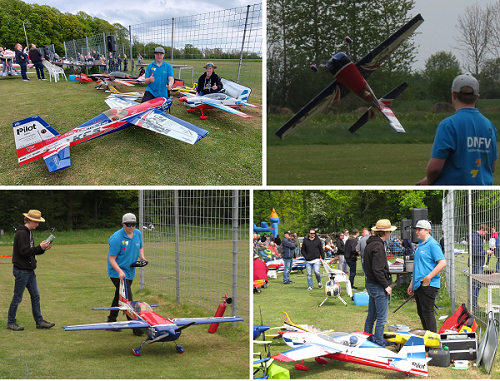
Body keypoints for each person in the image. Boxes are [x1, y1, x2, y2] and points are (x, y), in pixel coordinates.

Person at [417, 74, 498, 185]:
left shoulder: (448, 125)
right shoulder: (489, 126)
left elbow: (434, 169)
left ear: (453, 94)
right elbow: (492, 166)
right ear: (477, 96)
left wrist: (429, 182)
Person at [7, 210, 54, 331]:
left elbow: (31, 251)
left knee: (35, 296)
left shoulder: (28, 232)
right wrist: (39, 247)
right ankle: (11, 322)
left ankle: (39, 321)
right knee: (17, 297)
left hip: (29, 270)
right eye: (36, 222)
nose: (38, 224)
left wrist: (42, 249)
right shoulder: (22, 233)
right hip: (22, 271)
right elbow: (24, 252)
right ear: (30, 220)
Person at [107, 213, 147, 335]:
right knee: (127, 298)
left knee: (119, 296)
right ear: (123, 224)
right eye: (128, 224)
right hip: (117, 273)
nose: (131, 227)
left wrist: (142, 258)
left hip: (130, 271)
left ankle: (111, 322)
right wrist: (119, 271)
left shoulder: (138, 233)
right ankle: (135, 327)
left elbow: (140, 247)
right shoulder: (116, 238)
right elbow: (111, 258)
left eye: (133, 224)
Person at [407, 220, 446, 333]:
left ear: (427, 230)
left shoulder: (432, 244)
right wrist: (412, 283)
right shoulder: (420, 244)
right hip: (418, 284)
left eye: (420, 230)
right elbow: (419, 266)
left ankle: (433, 341)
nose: (417, 232)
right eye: (416, 230)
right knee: (422, 313)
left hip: (428, 284)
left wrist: (429, 277)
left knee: (428, 313)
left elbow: (442, 262)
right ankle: (427, 338)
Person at [363, 219, 395, 347]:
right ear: (386, 232)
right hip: (377, 285)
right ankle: (379, 343)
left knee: (371, 316)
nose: (390, 234)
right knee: (381, 318)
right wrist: (386, 285)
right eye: (390, 232)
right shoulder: (378, 246)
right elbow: (378, 269)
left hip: (370, 283)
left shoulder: (370, 244)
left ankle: (367, 340)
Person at [469, 224, 492, 310]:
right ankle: (474, 305)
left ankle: (474, 304)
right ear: (482, 230)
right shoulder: (476, 238)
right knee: (476, 285)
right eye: (485, 233)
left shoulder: (476, 237)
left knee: (477, 285)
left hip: (477, 264)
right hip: (476, 264)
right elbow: (474, 252)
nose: (485, 235)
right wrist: (486, 252)